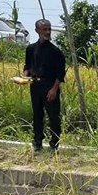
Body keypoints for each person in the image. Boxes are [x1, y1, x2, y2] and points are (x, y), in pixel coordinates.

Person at [23, 19, 66, 151]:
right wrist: (24, 75)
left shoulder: (56, 52)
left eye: (49, 29)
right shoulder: (31, 49)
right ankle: (37, 141)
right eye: (44, 29)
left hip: (50, 85)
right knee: (37, 114)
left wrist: (54, 89)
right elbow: (28, 66)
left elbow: (60, 74)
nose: (47, 32)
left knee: (53, 115)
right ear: (37, 31)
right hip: (35, 85)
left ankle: (54, 143)